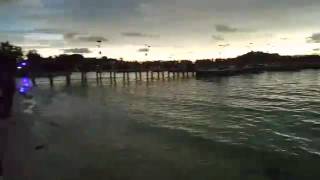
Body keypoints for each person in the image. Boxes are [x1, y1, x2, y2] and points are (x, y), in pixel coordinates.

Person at [0, 54, 17, 177]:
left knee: (7, 102)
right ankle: (6, 113)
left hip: (7, 90)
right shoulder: (7, 73)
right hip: (8, 90)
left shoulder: (6, 73)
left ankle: (6, 113)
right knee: (7, 102)